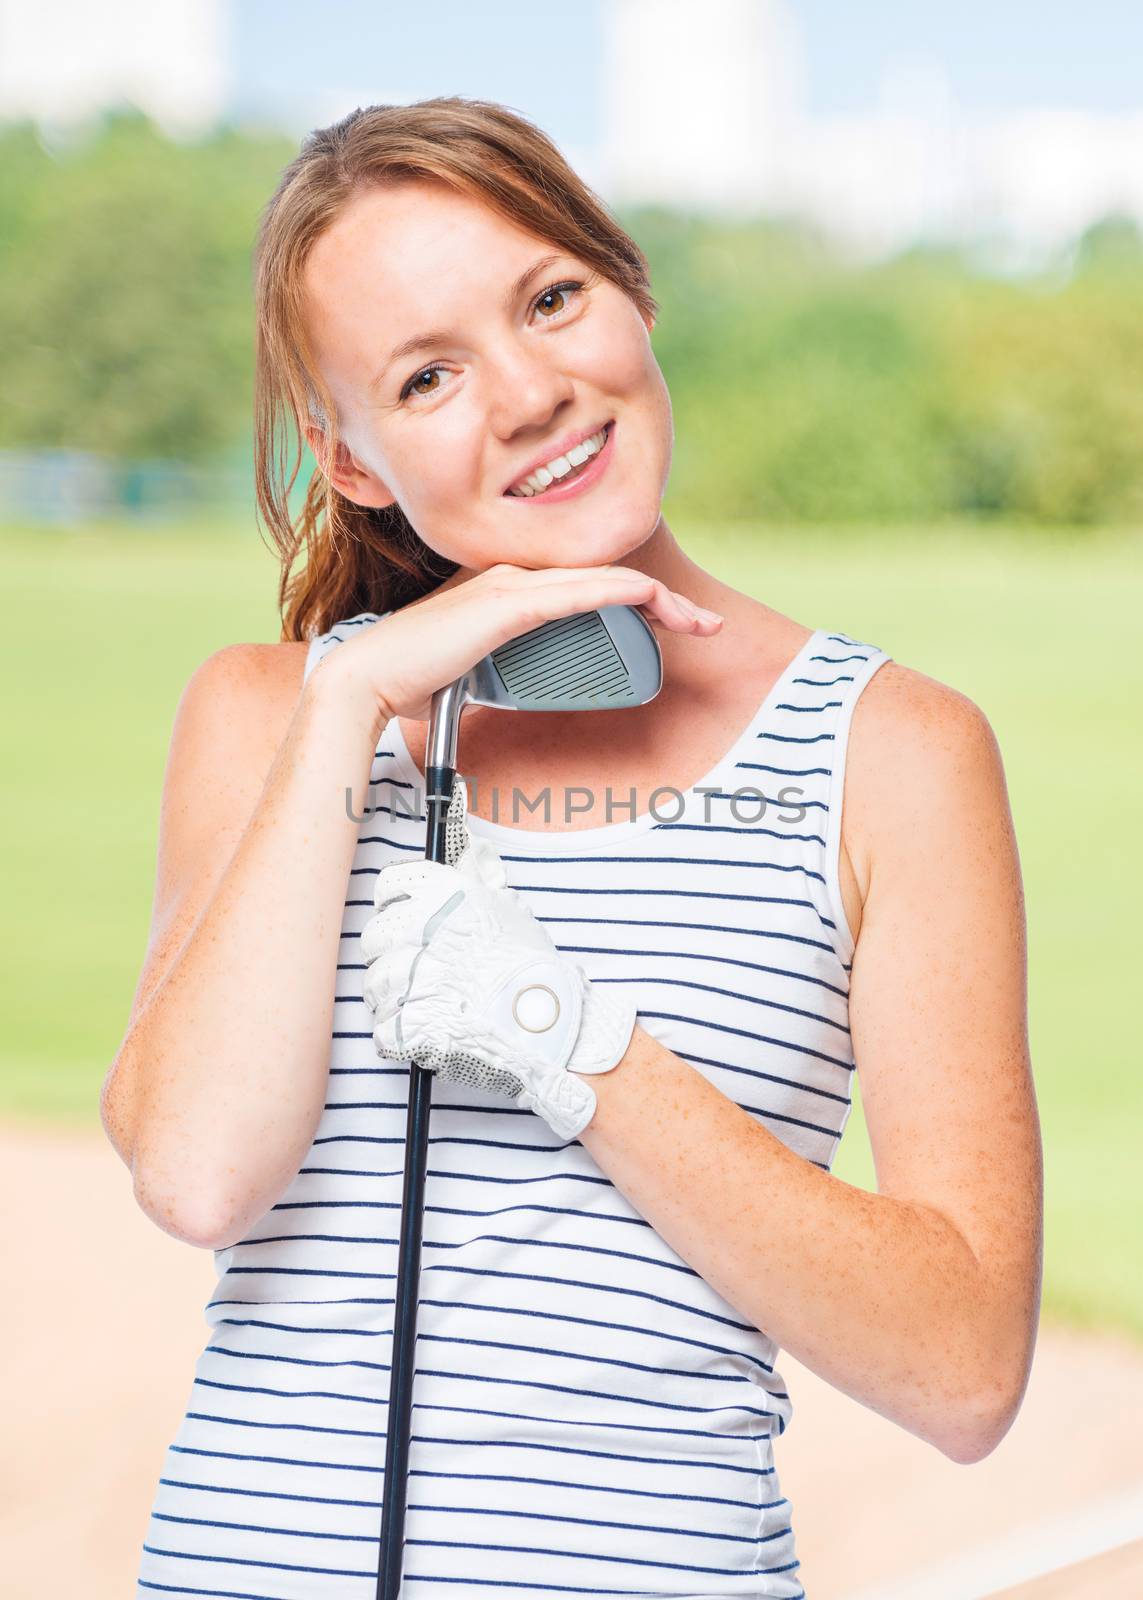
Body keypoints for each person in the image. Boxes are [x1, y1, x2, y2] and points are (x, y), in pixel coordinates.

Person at [102, 97, 1042, 1600]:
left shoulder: (893, 751)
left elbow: (963, 1370)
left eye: (552, 300)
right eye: (427, 376)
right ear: (348, 458)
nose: (530, 394)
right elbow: (202, 1178)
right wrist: (353, 702)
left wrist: (569, 1036)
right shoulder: (270, 717)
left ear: (632, 290)